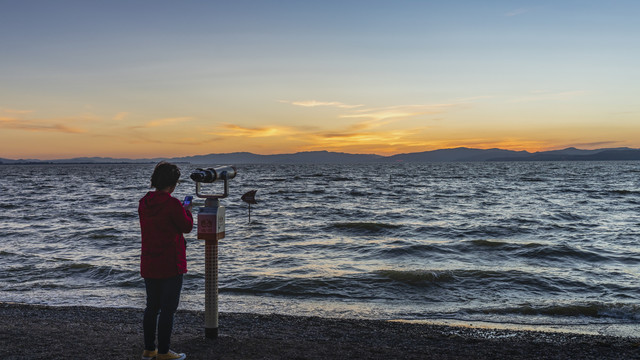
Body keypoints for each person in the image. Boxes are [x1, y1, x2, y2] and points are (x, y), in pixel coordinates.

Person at [139, 161, 193, 360]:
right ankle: (163, 352)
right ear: (173, 184)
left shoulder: (144, 202)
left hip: (149, 261)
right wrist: (187, 209)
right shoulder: (172, 204)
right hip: (171, 263)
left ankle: (148, 349)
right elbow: (186, 226)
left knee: (151, 307)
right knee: (168, 310)